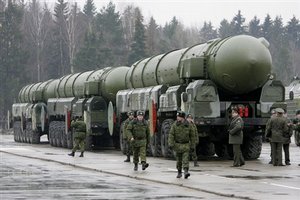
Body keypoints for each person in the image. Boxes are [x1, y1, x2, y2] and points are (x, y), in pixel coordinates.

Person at [168, 111, 195, 179]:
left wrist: (192, 145)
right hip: (177, 145)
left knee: (186, 159)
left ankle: (186, 171)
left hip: (186, 145)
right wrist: (171, 144)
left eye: (179, 117)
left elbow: (192, 136)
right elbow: (171, 135)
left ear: (182, 118)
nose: (177, 118)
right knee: (179, 160)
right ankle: (179, 172)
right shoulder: (175, 125)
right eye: (177, 117)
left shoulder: (188, 125)